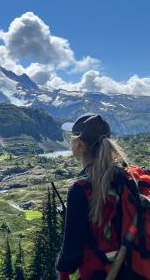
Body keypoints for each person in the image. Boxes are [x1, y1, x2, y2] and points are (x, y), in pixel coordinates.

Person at [55, 114, 129, 280]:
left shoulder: (80, 189)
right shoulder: (124, 176)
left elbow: (71, 253)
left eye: (71, 138)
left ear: (79, 144)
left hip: (98, 272)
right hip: (128, 269)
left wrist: (62, 271)